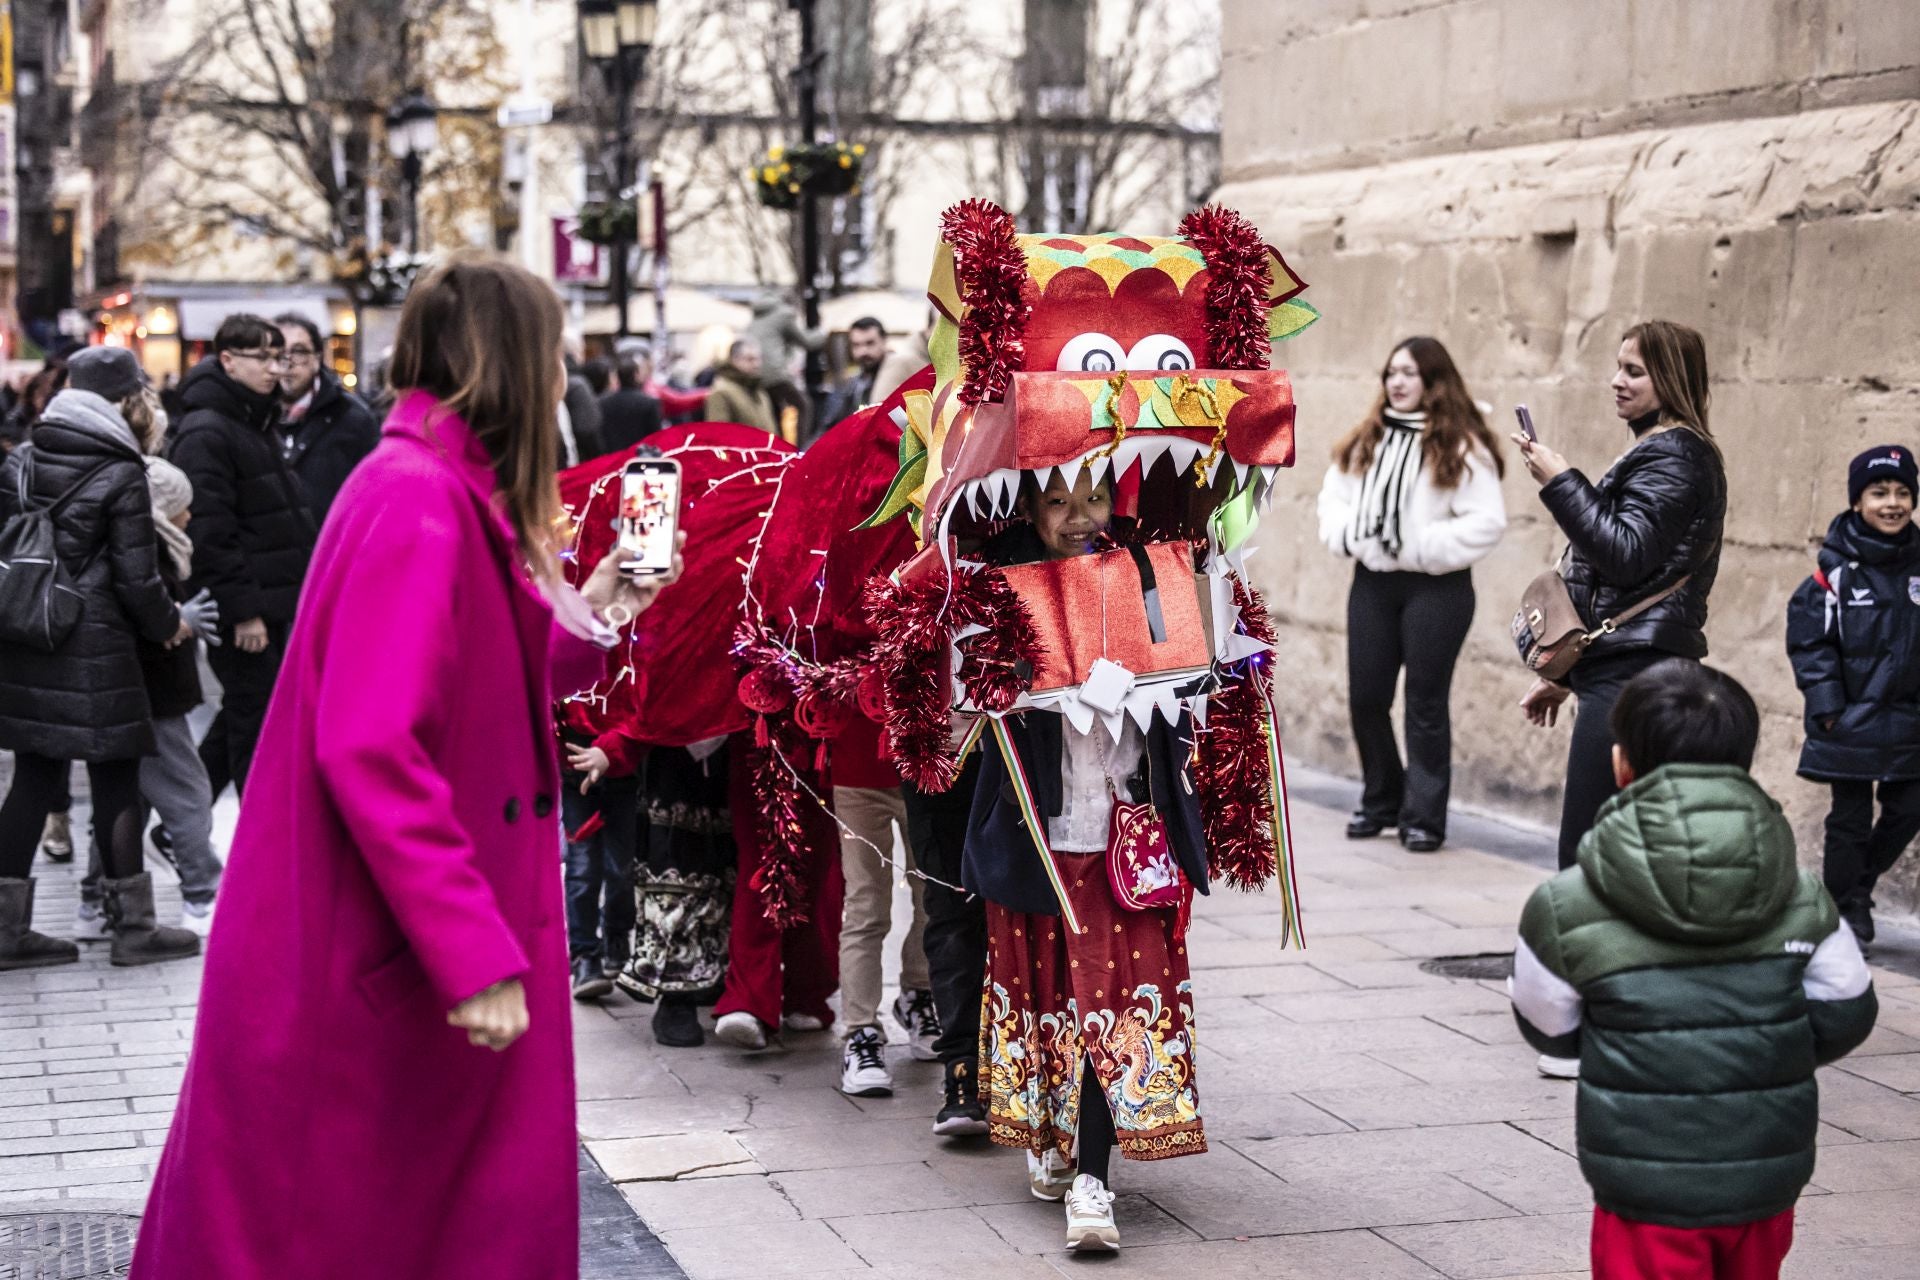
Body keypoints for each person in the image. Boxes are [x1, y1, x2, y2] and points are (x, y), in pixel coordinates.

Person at [130, 255, 679, 1280]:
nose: (562, 380)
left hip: (393, 950)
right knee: (360, 1228)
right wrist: (470, 950)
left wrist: (597, 602)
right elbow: (372, 742)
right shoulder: (420, 499)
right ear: (511, 366)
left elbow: (483, 664)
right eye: (551, 355)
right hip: (383, 960)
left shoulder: (429, 485)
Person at [1509, 659, 1877, 1280]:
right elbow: (1847, 1008)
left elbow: (1545, 1021)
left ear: (1621, 764)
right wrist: (1766, 1045)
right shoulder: (1801, 892)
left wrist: (1614, 1041)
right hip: (1765, 1176)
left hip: (1643, 1184)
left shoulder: (1568, 902)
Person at [969, 469, 1213, 1252]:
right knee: (1049, 1004)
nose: (1079, 518)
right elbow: (967, 706)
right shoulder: (999, 590)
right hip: (1039, 842)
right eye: (1058, 503)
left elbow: (1188, 681)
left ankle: (1093, 1183)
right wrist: (1034, 691)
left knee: (1111, 1011)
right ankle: (1052, 1136)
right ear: (1030, 509)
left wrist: (1152, 687)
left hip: (1122, 846)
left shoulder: (1149, 575)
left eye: (1095, 500)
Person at [0, 347, 200, 968]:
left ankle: (6, 932)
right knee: (115, 779)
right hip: (100, 649)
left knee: (33, 779)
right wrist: (172, 625)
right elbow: (138, 582)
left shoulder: (23, 462)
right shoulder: (120, 472)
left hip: (31, 637)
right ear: (125, 401)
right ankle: (133, 929)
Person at [1513, 319, 1726, 874]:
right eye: (1618, 367)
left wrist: (1559, 481)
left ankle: (1581, 957)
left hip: (1634, 674)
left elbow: (1625, 555)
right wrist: (1564, 678)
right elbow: (1634, 578)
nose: (1616, 381)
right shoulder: (1664, 449)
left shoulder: (1676, 454)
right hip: (1625, 666)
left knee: (1587, 851)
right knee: (1607, 844)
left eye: (1634, 371)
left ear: (1671, 380)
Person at [1317, 336, 1506, 852]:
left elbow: (1488, 522)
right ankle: (1381, 798)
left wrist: (1421, 547)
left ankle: (1424, 816)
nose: (1396, 382)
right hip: (1374, 581)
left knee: (1424, 701)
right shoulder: (1368, 440)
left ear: (1433, 381)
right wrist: (1351, 536)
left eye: (1409, 373)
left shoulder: (1461, 444)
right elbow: (1333, 501)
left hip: (1437, 587)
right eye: (1390, 373)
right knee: (1367, 697)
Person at [77, 392, 225, 941]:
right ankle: (202, 894)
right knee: (185, 794)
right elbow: (148, 613)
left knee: (121, 799)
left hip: (119, 688)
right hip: (154, 691)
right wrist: (179, 620)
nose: (191, 515)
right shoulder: (153, 552)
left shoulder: (113, 534)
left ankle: (95, 903)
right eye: (183, 507)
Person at [169, 314, 318, 803]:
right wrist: (243, 611)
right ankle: (258, 835)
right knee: (255, 725)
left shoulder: (252, 419)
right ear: (228, 361)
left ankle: (188, 823)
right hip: (251, 613)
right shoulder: (209, 430)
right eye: (263, 358)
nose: (275, 369)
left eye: (280, 357)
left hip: (277, 603)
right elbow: (211, 533)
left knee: (253, 714)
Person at [1786, 444, 1920, 953]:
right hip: (1849, 719)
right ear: (1857, 501)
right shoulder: (1833, 574)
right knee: (1849, 818)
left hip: (1908, 719)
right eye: (1879, 492)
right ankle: (1846, 910)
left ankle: (1856, 885)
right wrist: (1827, 708)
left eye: (1903, 492)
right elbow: (1810, 642)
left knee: (1910, 806)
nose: (1892, 503)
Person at [831, 714, 940, 1098]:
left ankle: (918, 995)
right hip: (856, 768)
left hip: (926, 762)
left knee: (933, 897)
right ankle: (860, 1031)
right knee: (867, 907)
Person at [616, 738, 738, 1048]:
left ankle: (713, 973)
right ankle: (676, 993)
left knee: (729, 861)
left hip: (737, 741)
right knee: (674, 867)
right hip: (671, 749)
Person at [904, 753, 989, 1136]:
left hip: (1030, 738)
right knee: (952, 910)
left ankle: (1041, 1075)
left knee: (1029, 914)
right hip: (941, 749)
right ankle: (961, 1072)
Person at [555, 684, 643, 1004]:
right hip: (574, 764)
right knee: (582, 867)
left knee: (620, 868)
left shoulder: (628, 643)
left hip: (624, 765)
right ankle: (584, 955)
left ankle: (616, 935)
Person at [273, 312, 380, 526]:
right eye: (278, 352)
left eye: (299, 351)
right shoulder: (252, 417)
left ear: (317, 358)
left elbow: (373, 496)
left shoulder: (352, 418)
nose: (288, 362)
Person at [745, 292, 824, 441]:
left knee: (775, 412)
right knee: (803, 405)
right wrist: (822, 333)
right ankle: (799, 450)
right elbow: (807, 342)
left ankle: (778, 450)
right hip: (774, 373)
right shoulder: (784, 314)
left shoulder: (755, 318)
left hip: (755, 374)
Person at [822, 317, 890, 430]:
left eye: (870, 343)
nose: (863, 351)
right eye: (856, 345)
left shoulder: (896, 377)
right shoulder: (852, 384)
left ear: (884, 341)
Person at [703, 339, 779, 435]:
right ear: (734, 360)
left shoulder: (760, 392)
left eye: (758, 359)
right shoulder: (721, 393)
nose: (756, 364)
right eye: (750, 359)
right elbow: (719, 436)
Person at [598, 350, 664, 454]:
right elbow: (656, 437)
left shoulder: (602, 402)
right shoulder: (650, 402)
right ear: (636, 374)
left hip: (612, 459)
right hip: (640, 459)